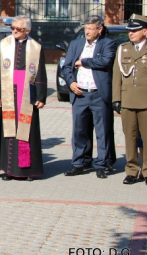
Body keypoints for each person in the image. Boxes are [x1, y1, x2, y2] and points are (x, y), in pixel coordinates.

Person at [0, 15, 47, 180]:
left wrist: (41, 96)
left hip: (26, 92)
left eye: (17, 29)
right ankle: (7, 169)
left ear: (27, 30)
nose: (13, 31)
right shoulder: (4, 44)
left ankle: (26, 170)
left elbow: (40, 73)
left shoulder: (36, 47)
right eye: (12, 28)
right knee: (8, 130)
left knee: (25, 132)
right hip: (7, 91)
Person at [62, 15, 117, 179]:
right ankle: (79, 163)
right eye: (85, 28)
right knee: (79, 131)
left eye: (90, 29)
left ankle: (101, 163)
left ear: (99, 30)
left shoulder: (108, 43)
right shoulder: (76, 44)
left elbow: (105, 61)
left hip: (98, 94)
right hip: (80, 94)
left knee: (102, 131)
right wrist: (71, 83)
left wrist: (84, 62)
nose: (86, 32)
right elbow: (67, 67)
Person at [112, 14, 147, 185]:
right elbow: (116, 76)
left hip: (146, 101)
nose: (131, 33)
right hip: (127, 101)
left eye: (135, 30)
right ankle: (132, 170)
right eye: (129, 30)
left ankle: (146, 171)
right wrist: (116, 99)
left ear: (145, 31)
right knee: (130, 137)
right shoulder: (123, 49)